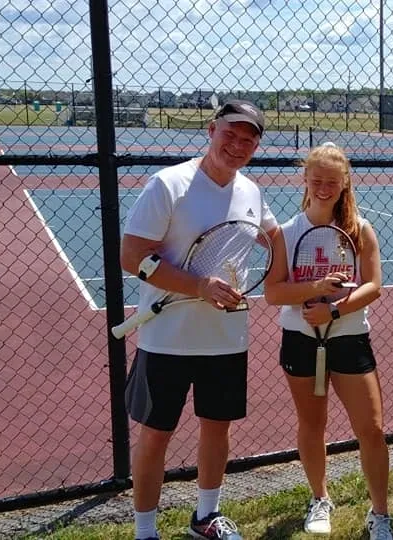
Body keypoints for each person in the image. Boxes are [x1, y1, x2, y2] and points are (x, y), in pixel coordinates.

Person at [119, 99, 278, 540]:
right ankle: (145, 531)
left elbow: (275, 237)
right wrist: (198, 286)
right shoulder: (168, 185)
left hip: (226, 339)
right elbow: (132, 256)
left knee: (217, 429)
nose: (238, 144)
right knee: (155, 436)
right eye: (231, 133)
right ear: (211, 130)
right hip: (167, 340)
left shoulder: (251, 191)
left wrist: (305, 275)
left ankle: (206, 516)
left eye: (249, 139)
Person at [262, 143, 393, 539]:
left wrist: (333, 310)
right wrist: (315, 288)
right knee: (312, 424)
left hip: (349, 338)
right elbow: (273, 293)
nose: (323, 188)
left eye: (331, 182)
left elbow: (373, 286)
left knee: (371, 428)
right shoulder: (287, 233)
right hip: (301, 340)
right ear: (305, 179)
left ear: (344, 184)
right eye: (316, 180)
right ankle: (320, 498)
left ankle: (380, 514)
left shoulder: (360, 229)